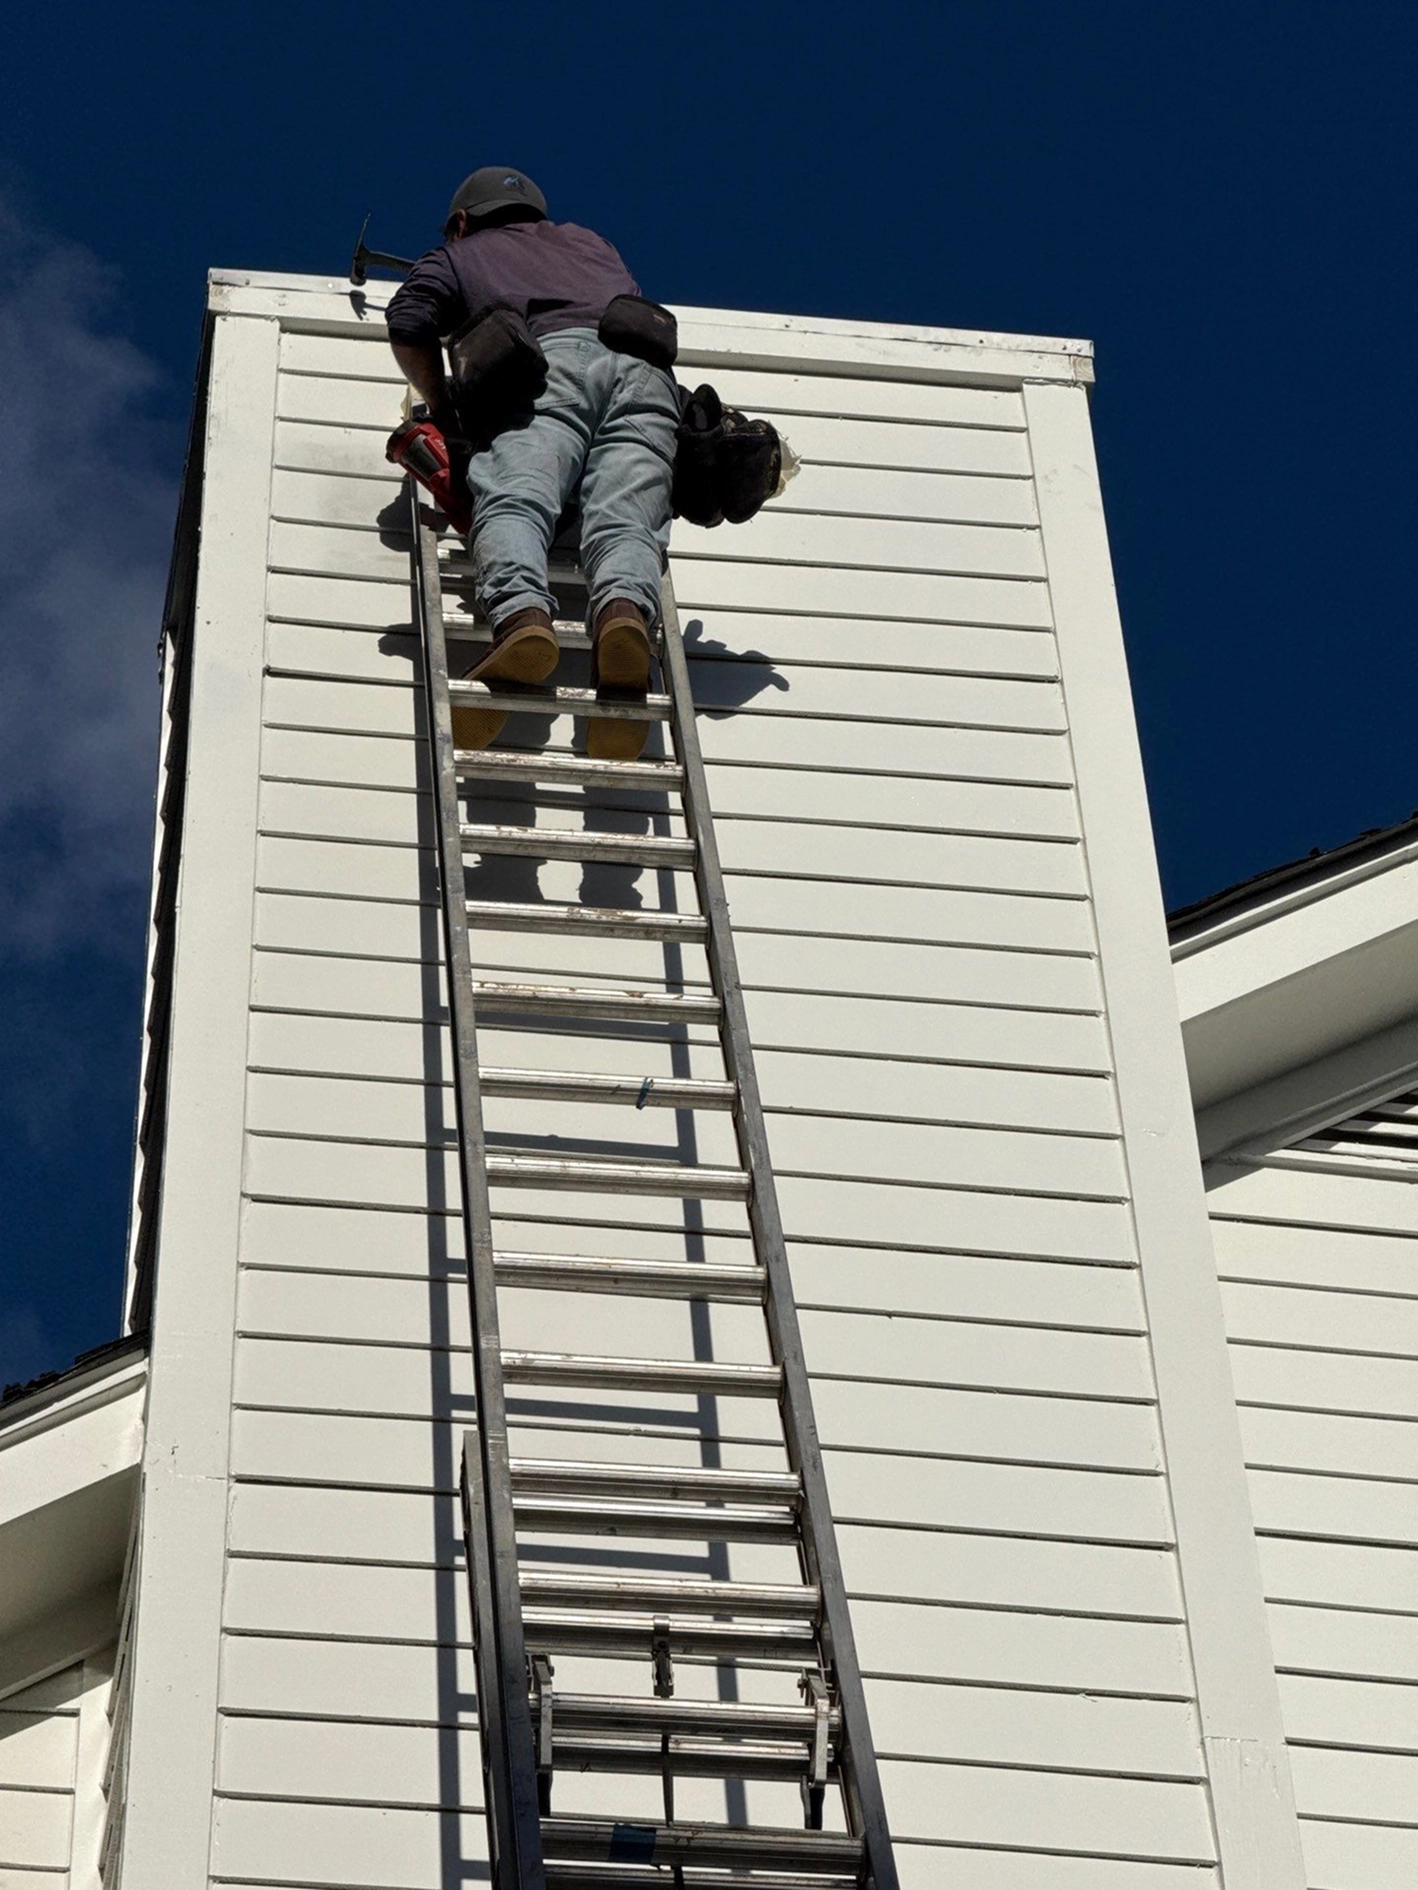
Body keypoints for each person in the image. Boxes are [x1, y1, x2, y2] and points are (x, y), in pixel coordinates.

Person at [385, 166, 678, 760]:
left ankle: (521, 618)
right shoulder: (592, 242)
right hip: (648, 378)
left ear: (462, 222)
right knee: (625, 518)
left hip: (552, 367)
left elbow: (408, 320)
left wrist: (442, 404)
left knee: (515, 497)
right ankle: (622, 614)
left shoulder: (458, 254)